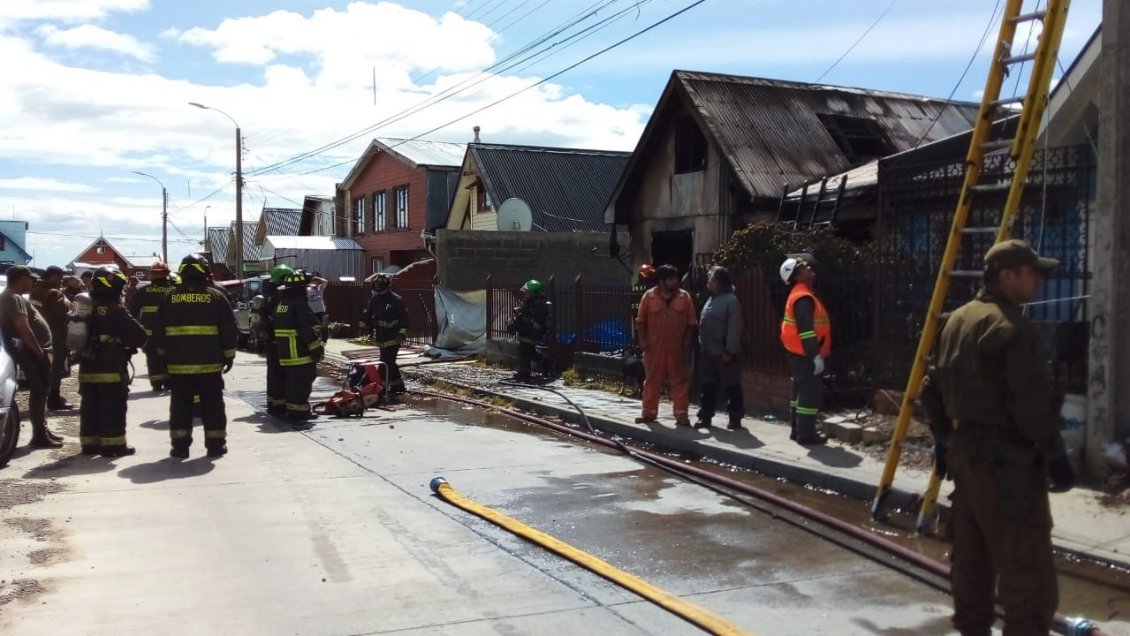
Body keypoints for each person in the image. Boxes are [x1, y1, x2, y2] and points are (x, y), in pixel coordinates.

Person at [919, 239, 1076, 636]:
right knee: (1028, 575)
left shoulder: (956, 320)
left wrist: (943, 439)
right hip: (1008, 466)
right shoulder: (1013, 328)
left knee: (972, 563)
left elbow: (929, 388)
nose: (1039, 279)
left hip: (965, 456)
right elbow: (1030, 406)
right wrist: (1055, 454)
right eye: (1032, 271)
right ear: (1007, 276)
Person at [154, 254, 237, 458]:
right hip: (209, 365)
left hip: (177, 366)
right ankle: (215, 445)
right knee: (213, 405)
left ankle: (180, 447)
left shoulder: (168, 297)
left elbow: (158, 331)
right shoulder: (216, 297)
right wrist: (228, 356)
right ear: (205, 272)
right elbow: (228, 329)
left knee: (180, 406)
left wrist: (163, 359)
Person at [77, 265, 146, 457]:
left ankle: (89, 445)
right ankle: (114, 446)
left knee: (90, 406)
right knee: (112, 406)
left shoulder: (85, 306)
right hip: (111, 367)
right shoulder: (116, 309)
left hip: (86, 367)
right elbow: (139, 336)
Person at [0, 266, 63, 447]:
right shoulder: (13, 298)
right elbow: (23, 328)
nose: (33, 282)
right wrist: (39, 351)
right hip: (30, 353)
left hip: (29, 352)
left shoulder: (11, 297)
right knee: (40, 391)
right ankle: (40, 436)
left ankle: (43, 431)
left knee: (41, 391)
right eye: (30, 279)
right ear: (21, 279)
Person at [635, 264, 697, 426]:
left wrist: (687, 340)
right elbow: (641, 322)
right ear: (661, 281)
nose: (675, 282)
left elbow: (691, 322)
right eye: (671, 279)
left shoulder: (684, 297)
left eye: (675, 278)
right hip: (654, 348)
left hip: (678, 349)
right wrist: (642, 340)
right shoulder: (648, 297)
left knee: (680, 382)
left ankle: (681, 415)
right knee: (651, 381)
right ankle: (649, 413)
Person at [779, 254, 830, 445]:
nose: (808, 267)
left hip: (798, 353)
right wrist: (815, 355)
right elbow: (807, 331)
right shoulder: (803, 297)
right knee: (809, 394)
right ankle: (807, 434)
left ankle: (797, 430)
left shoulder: (800, 294)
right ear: (797, 276)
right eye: (803, 268)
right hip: (806, 355)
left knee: (799, 393)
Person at [695, 266, 744, 430]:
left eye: (712, 279)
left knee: (731, 386)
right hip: (708, 351)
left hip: (723, 352)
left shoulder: (731, 301)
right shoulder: (712, 299)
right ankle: (706, 415)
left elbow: (734, 328)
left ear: (720, 282)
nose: (709, 281)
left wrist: (730, 350)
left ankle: (735, 417)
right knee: (708, 385)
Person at [274, 270, 324, 420]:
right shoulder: (300, 306)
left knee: (292, 383)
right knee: (302, 383)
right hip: (300, 354)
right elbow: (306, 332)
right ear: (300, 289)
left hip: (285, 354)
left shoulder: (282, 305)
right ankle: (301, 413)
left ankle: (292, 410)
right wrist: (317, 350)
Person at [28, 265, 74, 410]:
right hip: (56, 335)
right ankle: (54, 398)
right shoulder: (54, 293)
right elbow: (62, 311)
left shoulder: (34, 292)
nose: (61, 281)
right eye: (60, 278)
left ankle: (42, 397)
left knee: (43, 369)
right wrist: (69, 305)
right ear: (54, 276)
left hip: (39, 335)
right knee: (56, 368)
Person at [360, 274, 409, 393]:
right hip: (381, 337)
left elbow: (404, 319)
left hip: (394, 338)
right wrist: (364, 327)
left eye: (380, 286)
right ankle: (398, 387)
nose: (378, 288)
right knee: (389, 362)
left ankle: (381, 389)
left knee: (385, 363)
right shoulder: (375, 299)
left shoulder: (395, 300)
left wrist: (401, 334)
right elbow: (367, 314)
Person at [129, 261, 173, 391]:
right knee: (169, 357)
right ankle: (169, 381)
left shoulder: (143, 291)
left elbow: (131, 312)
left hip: (149, 333)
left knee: (153, 357)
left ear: (151, 275)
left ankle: (156, 383)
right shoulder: (173, 291)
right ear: (166, 275)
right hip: (169, 333)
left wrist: (135, 333)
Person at [261, 264, 293, 416]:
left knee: (273, 372)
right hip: (283, 342)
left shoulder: (267, 297)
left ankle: (273, 402)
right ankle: (282, 404)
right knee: (283, 373)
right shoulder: (283, 298)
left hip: (270, 340)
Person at [508, 279, 551, 382]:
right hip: (526, 331)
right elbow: (525, 314)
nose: (525, 294)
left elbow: (533, 318)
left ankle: (525, 373)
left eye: (527, 292)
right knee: (528, 352)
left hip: (532, 333)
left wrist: (522, 316)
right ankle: (530, 370)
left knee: (525, 352)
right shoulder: (530, 302)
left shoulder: (538, 304)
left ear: (533, 293)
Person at [630, 263, 656, 340]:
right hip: (649, 316)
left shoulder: (636, 286)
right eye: (650, 273)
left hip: (637, 315)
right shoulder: (651, 286)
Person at [306, 271, 329, 343]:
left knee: (324, 326)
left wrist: (317, 278)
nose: (316, 282)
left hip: (321, 310)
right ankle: (314, 339)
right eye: (314, 281)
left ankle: (324, 340)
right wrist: (310, 282)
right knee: (313, 327)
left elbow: (325, 281)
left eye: (317, 281)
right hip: (311, 311)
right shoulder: (307, 289)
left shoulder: (320, 288)